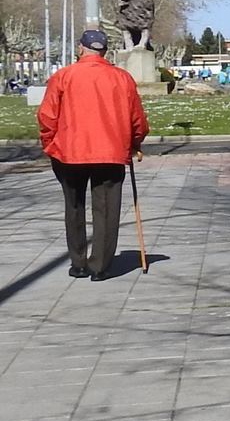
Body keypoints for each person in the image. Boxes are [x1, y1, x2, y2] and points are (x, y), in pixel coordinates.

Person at [37, 30, 149, 281]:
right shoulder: (122, 78)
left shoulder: (63, 76)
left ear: (80, 48)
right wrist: (135, 142)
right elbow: (137, 119)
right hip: (110, 152)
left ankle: (78, 263)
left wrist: (49, 144)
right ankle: (99, 266)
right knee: (107, 209)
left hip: (69, 151)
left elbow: (47, 116)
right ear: (105, 51)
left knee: (74, 205)